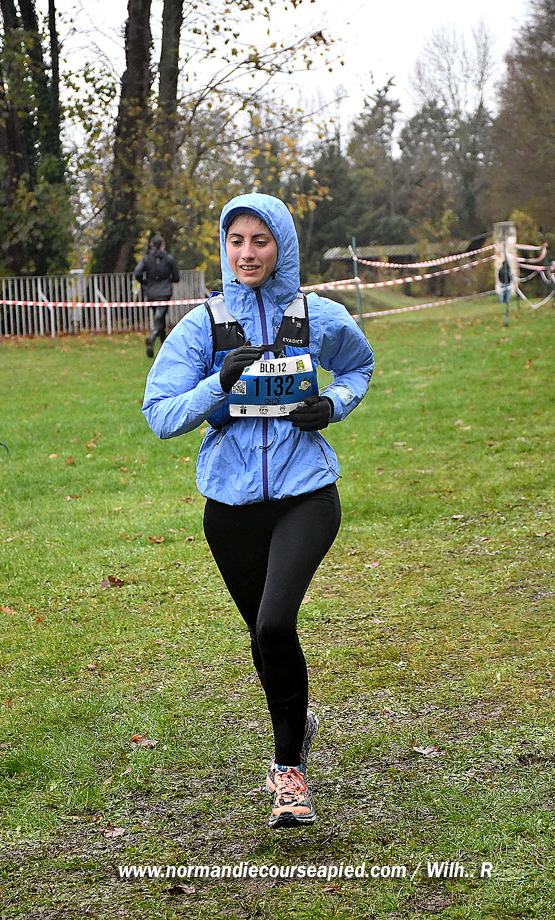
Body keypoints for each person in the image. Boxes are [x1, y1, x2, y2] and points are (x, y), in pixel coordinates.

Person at [142, 193, 374, 829]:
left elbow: (359, 366)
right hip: (230, 507)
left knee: (274, 625)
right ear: (224, 247)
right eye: (236, 240)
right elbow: (159, 415)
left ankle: (287, 772)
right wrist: (216, 383)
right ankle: (297, 720)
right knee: (264, 639)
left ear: (282, 246)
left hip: (307, 495)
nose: (247, 253)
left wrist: (334, 404)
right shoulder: (204, 324)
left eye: (260, 240)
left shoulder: (317, 314)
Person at [134, 233, 180, 357]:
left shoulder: (146, 258)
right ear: (163, 245)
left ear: (151, 244)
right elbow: (176, 277)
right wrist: (168, 280)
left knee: (160, 317)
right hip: (165, 292)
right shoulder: (169, 259)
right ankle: (153, 336)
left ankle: (164, 345)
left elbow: (137, 272)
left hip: (151, 292)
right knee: (160, 317)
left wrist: (145, 282)